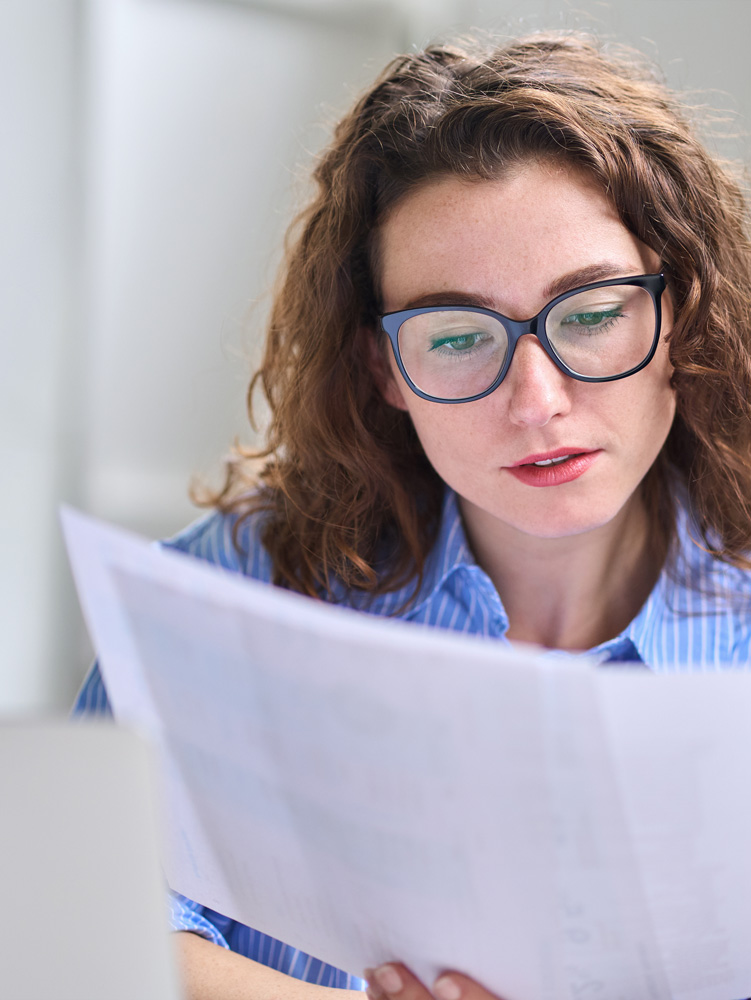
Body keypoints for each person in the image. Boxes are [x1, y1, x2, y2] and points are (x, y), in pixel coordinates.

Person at [74, 30, 751, 1000]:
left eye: (592, 314)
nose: (536, 399)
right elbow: (74, 926)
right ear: (382, 367)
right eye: (456, 335)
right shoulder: (227, 587)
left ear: (677, 312)